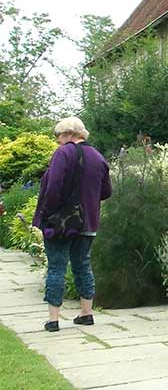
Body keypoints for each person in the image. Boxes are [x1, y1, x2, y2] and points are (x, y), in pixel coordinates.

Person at [32, 117, 111, 332]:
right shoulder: (97, 156)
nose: (58, 141)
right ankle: (86, 314)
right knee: (82, 265)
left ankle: (53, 319)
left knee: (56, 267)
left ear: (69, 134)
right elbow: (106, 192)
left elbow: (54, 187)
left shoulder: (63, 153)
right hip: (88, 222)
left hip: (61, 223)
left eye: (58, 136)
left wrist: (48, 213)